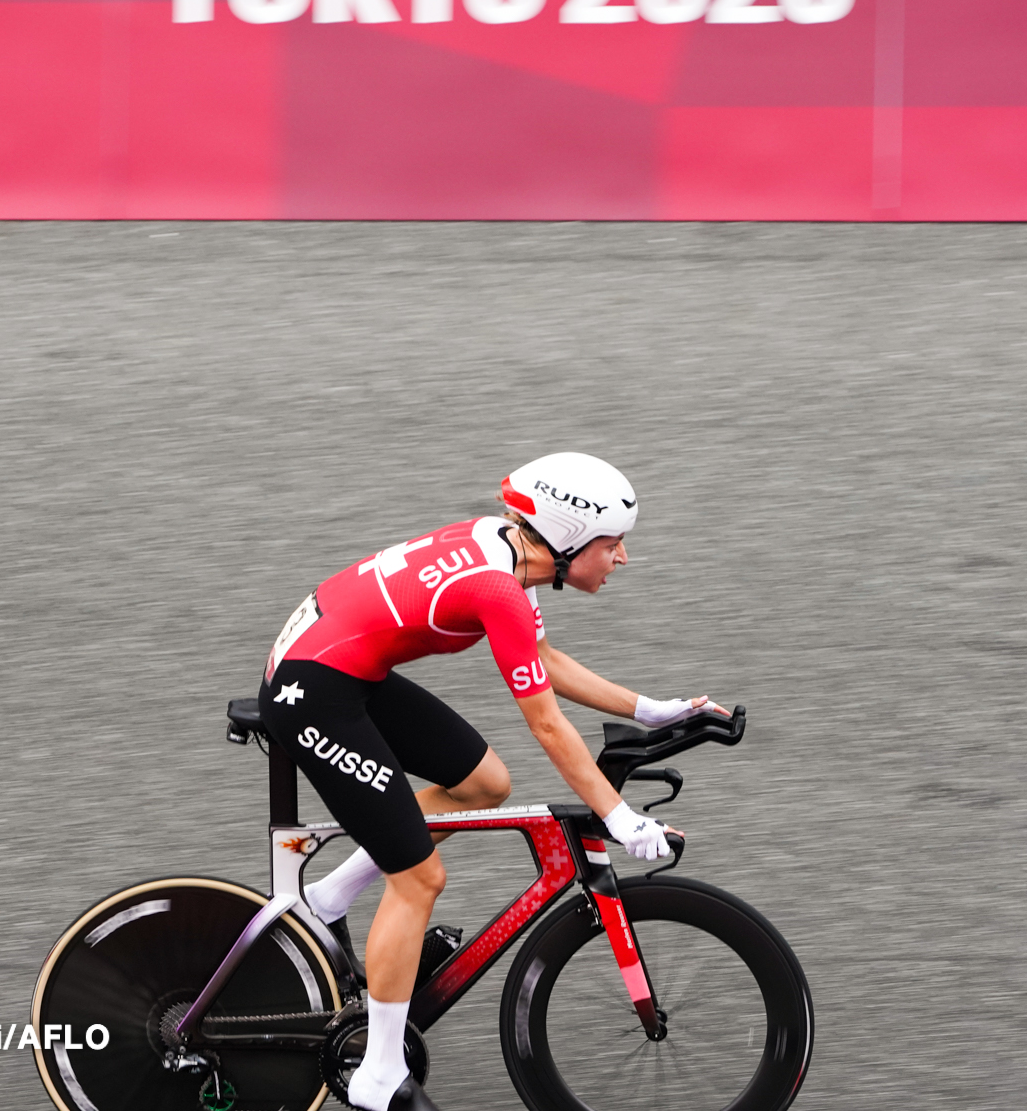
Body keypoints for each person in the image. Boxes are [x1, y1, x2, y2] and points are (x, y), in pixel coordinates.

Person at [256, 453, 723, 1111]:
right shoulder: (497, 586)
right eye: (612, 544)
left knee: (485, 782)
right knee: (418, 878)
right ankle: (378, 1073)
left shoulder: (508, 549)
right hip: (314, 691)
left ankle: (326, 897)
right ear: (565, 540)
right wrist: (622, 819)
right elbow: (550, 727)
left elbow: (545, 658)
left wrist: (651, 707)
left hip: (344, 668)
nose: (622, 559)